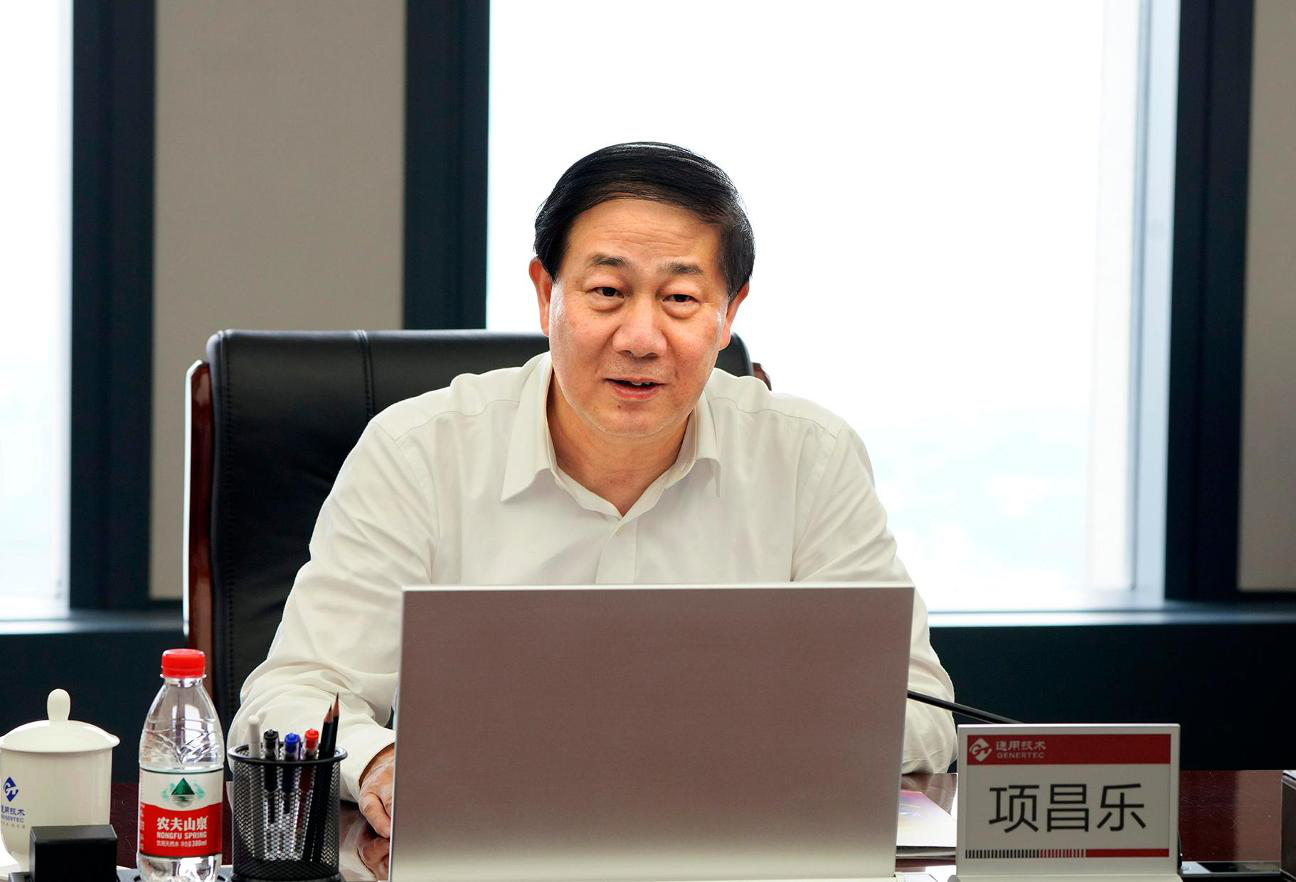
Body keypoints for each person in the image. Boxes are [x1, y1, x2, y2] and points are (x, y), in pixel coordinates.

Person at [229, 142, 957, 838]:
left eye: (680, 298)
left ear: (729, 313)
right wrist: (380, 763)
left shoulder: (809, 458)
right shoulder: (417, 453)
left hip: (732, 851)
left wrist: (746, 748)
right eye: (607, 292)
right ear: (545, 292)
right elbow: (287, 698)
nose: (640, 338)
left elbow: (920, 712)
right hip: (488, 853)